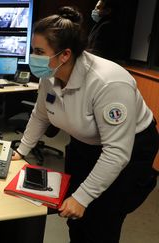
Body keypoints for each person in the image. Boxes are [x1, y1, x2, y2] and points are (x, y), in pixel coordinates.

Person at [12, 6, 159, 243]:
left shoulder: (108, 83)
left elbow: (117, 152)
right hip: (86, 142)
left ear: (65, 54)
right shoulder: (50, 75)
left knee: (102, 217)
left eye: (38, 51)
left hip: (129, 149)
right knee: (74, 213)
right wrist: (21, 151)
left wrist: (84, 196)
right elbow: (40, 116)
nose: (33, 57)